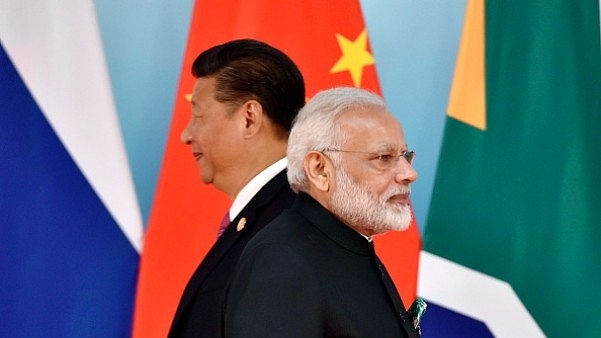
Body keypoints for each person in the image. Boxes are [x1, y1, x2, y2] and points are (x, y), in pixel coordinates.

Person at [224, 87, 422, 337]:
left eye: (405, 155)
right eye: (383, 157)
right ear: (319, 169)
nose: (409, 173)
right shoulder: (281, 261)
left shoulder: (346, 245)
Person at [168, 39, 305, 338]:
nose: (185, 135)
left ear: (249, 118)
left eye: (198, 116)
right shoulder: (276, 214)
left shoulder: (287, 229)